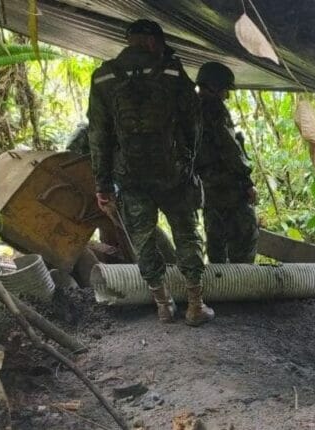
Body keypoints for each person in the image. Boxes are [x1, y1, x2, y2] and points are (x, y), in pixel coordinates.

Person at [87, 19, 214, 326]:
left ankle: (163, 305)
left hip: (130, 178)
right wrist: (188, 162)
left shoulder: (104, 77)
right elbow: (193, 123)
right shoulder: (171, 71)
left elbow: (98, 135)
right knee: (186, 235)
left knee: (142, 240)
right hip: (174, 175)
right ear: (154, 41)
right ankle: (195, 306)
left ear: (129, 41)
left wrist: (103, 184)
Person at [194, 62, 259, 263]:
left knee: (216, 240)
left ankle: (220, 287)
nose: (227, 96)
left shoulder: (190, 108)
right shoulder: (214, 109)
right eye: (224, 90)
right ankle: (243, 286)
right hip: (227, 187)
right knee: (244, 236)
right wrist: (247, 183)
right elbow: (230, 148)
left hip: (206, 186)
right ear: (214, 87)